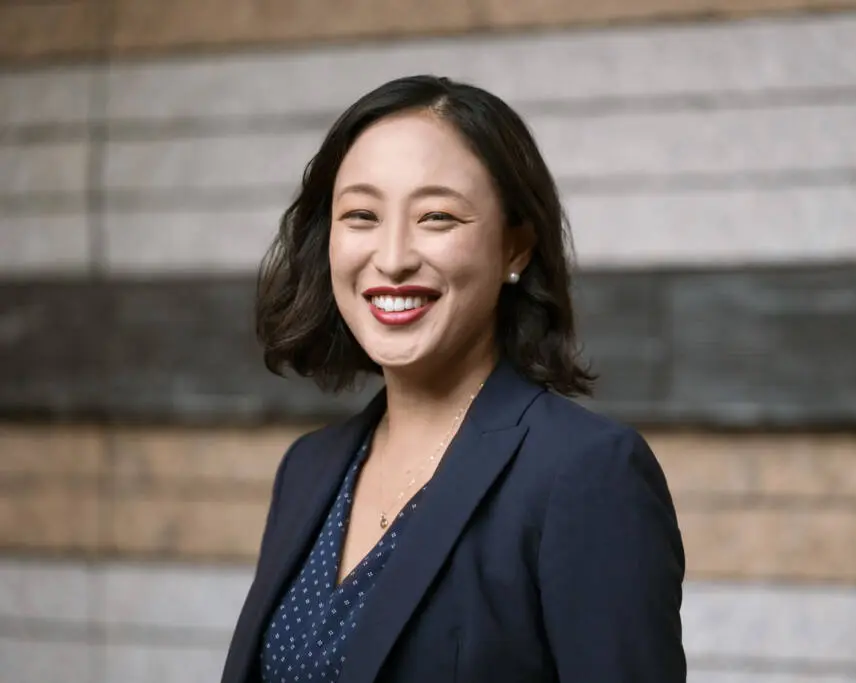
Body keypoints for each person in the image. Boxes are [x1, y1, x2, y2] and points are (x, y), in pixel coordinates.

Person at [221, 75, 686, 683]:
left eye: (436, 217)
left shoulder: (586, 473)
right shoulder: (307, 470)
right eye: (360, 215)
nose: (392, 258)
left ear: (515, 248)